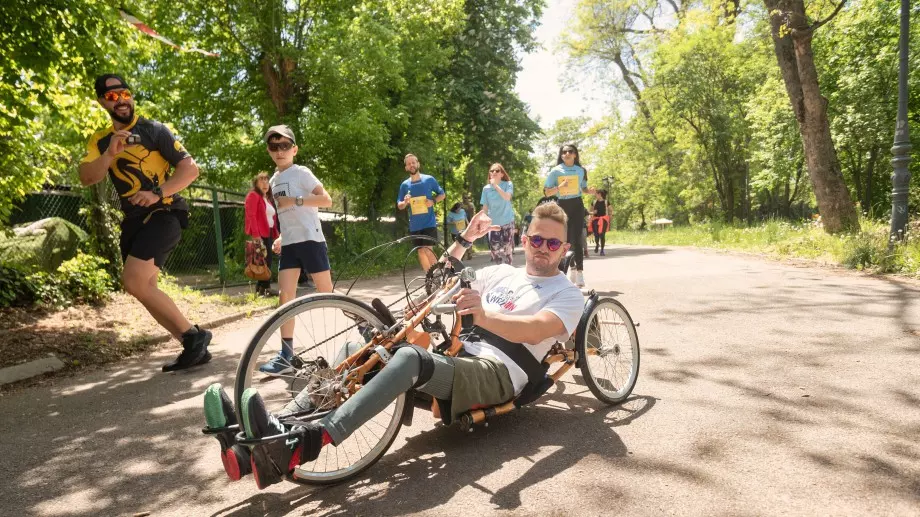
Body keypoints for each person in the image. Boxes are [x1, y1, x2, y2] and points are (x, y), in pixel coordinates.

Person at [202, 202, 584, 488]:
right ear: (524, 238)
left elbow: (537, 329)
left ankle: (309, 443)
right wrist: (465, 239)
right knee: (368, 344)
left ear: (564, 248)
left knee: (409, 359)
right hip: (459, 355)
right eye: (536, 238)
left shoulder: (568, 294)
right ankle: (257, 439)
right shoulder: (501, 272)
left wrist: (483, 317)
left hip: (498, 373)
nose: (542, 247)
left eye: (552, 242)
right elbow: (441, 277)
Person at [78, 74, 211, 372]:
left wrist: (157, 193)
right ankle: (193, 346)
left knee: (134, 280)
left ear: (131, 96)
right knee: (142, 286)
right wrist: (110, 154)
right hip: (134, 220)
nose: (120, 100)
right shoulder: (100, 141)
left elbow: (191, 170)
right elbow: (87, 177)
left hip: (165, 213)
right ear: (102, 101)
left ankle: (195, 337)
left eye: (124, 93)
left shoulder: (154, 130)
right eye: (112, 96)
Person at [261, 125, 334, 376]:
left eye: (284, 146)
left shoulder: (301, 172)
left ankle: (365, 327)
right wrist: (282, 236)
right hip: (291, 243)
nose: (279, 151)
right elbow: (286, 214)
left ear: (294, 149)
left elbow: (326, 200)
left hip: (311, 240)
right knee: (285, 296)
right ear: (269, 150)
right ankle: (287, 355)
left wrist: (296, 200)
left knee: (328, 293)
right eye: (274, 147)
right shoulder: (273, 180)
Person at [543, 143, 594, 287]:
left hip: (577, 204)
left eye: (570, 151)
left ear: (575, 154)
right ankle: (566, 270)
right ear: (561, 155)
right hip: (563, 205)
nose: (566, 154)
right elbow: (547, 192)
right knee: (564, 240)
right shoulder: (556, 171)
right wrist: (560, 187)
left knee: (577, 238)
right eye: (563, 152)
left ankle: (580, 273)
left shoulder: (580, 170)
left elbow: (583, 188)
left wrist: (589, 191)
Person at [396, 153, 445, 273]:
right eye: (409, 164)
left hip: (429, 223)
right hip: (415, 225)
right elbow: (400, 205)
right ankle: (430, 278)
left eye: (413, 162)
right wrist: (405, 202)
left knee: (428, 250)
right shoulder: (404, 185)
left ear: (418, 164)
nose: (411, 165)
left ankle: (439, 276)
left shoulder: (428, 179)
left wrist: (432, 201)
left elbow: (442, 194)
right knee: (420, 251)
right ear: (406, 168)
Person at [244, 172, 280, 296]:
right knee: (266, 259)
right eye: (262, 181)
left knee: (264, 260)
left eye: (267, 181)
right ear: (256, 184)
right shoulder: (253, 195)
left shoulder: (267, 199)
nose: (265, 184)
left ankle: (261, 288)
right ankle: (265, 288)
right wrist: (256, 235)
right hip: (260, 233)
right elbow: (251, 216)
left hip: (268, 232)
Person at [480, 163, 515, 265]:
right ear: (490, 174)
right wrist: (483, 220)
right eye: (492, 171)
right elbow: (485, 207)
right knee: (494, 249)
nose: (494, 172)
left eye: (497, 171)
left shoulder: (508, 184)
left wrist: (495, 185)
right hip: (493, 224)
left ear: (502, 174)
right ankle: (499, 269)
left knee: (507, 248)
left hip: (507, 221)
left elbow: (507, 197)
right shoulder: (486, 189)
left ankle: (509, 269)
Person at [591, 189, 611, 256]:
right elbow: (590, 211)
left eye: (596, 194)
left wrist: (610, 217)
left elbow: (611, 210)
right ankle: (597, 244)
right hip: (595, 220)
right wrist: (593, 212)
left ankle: (602, 250)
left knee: (602, 235)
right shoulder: (593, 202)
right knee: (596, 235)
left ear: (599, 194)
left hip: (603, 220)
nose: (595, 195)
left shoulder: (606, 202)